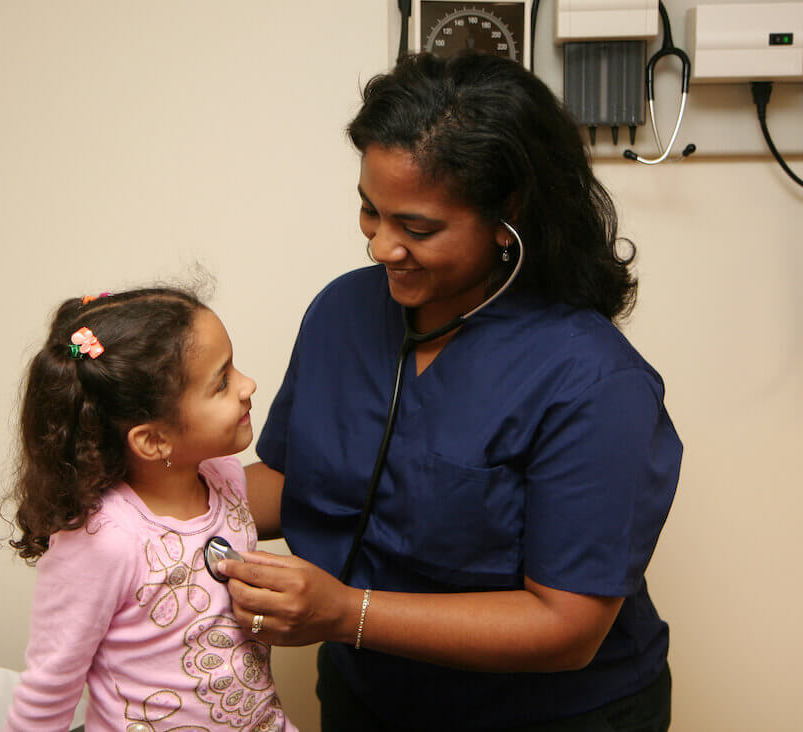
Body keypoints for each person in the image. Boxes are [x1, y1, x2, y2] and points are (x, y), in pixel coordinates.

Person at [216, 52, 682, 732]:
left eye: (417, 227)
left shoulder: (593, 380)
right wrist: (136, 510)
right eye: (369, 212)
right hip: (366, 696)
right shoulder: (343, 312)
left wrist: (347, 613)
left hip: (547, 717)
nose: (380, 247)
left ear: (507, 216)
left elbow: (567, 624)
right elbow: (297, 479)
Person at [3, 288, 297, 732]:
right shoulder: (104, 542)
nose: (247, 385)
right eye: (221, 382)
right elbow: (48, 693)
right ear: (153, 440)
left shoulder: (225, 480)